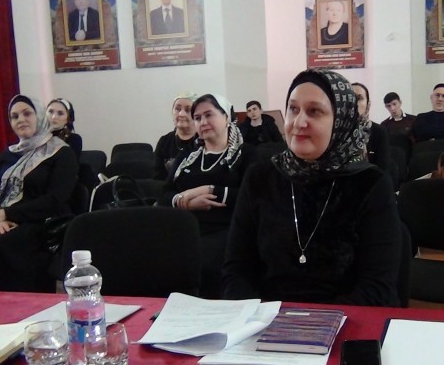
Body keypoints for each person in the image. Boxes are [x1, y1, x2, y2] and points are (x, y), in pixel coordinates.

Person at [222, 70, 401, 307]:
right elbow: (237, 270)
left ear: (342, 120)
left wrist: (312, 324)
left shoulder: (370, 183)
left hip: (346, 319)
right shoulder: (260, 177)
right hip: (264, 319)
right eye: (293, 109)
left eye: (314, 111)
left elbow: (377, 287)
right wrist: (256, 317)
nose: (298, 122)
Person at [0, 95, 78, 291]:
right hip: (0, 221)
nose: (20, 120)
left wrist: (6, 214)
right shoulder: (9, 154)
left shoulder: (61, 153)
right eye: (14, 116)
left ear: (39, 116)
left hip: (39, 222)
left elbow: (56, 199)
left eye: (27, 114)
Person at [158, 94, 254, 298]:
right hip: (186, 231)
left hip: (228, 231)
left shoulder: (246, 154)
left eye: (209, 115)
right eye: (198, 118)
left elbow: (252, 195)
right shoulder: (187, 157)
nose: (203, 122)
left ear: (226, 118)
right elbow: (165, 195)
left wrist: (210, 190)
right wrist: (186, 203)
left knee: (207, 260)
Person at [154, 92, 198, 180]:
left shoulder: (204, 141)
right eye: (177, 109)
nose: (181, 114)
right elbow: (157, 178)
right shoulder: (164, 141)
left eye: (188, 110)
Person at [352, 83, 390, 173]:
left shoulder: (379, 131)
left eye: (359, 98)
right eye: (351, 97)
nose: (354, 102)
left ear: (368, 104)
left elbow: (383, 170)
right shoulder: (336, 132)